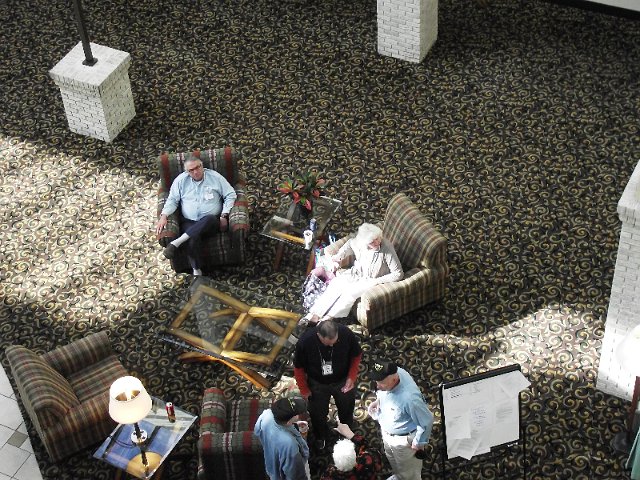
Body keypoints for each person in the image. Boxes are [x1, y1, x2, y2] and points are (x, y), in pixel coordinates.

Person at [300, 223, 402, 325]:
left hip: (370, 279)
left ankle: (328, 318)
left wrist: (377, 281)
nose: (377, 242)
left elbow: (398, 273)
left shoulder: (387, 248)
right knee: (336, 284)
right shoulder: (360, 242)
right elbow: (349, 244)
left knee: (349, 294)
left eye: (378, 238)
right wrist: (338, 257)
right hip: (355, 272)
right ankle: (313, 314)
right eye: (372, 241)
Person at [155, 155, 237, 276]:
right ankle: (197, 270)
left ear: (202, 166)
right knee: (193, 239)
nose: (195, 172)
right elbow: (172, 200)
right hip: (189, 221)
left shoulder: (215, 177)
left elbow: (230, 194)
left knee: (209, 218)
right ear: (187, 171)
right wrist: (164, 215)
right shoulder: (181, 181)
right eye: (191, 170)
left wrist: (224, 215)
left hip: (211, 222)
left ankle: (176, 243)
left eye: (197, 167)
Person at [293, 320, 362, 450]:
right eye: (329, 342)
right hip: (317, 383)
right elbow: (298, 368)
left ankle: (346, 432)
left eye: (335, 341)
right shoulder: (305, 341)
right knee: (317, 414)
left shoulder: (345, 333)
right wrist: (304, 389)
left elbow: (356, 355)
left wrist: (351, 377)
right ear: (319, 335)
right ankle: (321, 436)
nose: (332, 345)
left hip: (342, 380)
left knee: (347, 408)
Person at [367, 359, 434, 480]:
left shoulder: (410, 399)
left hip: (404, 441)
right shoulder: (395, 374)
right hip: (388, 435)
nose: (377, 386)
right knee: (395, 462)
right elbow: (384, 392)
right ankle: (399, 476)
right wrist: (378, 401)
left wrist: (419, 442)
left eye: (381, 382)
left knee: (409, 474)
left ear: (393, 380)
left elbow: (427, 420)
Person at [254, 396, 311, 480]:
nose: (299, 415)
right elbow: (294, 475)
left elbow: (257, 431)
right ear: (288, 422)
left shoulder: (266, 414)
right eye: (297, 414)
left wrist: (290, 427)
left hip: (270, 462)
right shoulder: (290, 445)